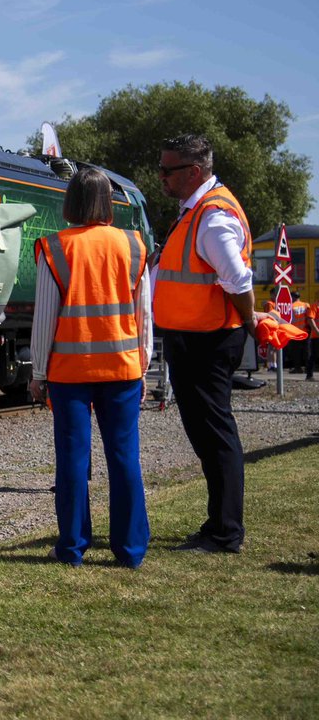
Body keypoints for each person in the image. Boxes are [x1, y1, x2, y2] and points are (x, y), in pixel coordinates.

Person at [28, 168, 152, 568]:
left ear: (71, 202)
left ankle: (72, 547)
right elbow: (143, 315)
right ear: (108, 203)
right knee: (125, 457)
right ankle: (131, 550)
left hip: (70, 373)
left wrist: (39, 373)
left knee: (72, 459)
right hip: (123, 369)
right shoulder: (133, 246)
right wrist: (143, 366)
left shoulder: (55, 248)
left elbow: (45, 316)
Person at [152, 133, 264, 554]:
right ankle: (219, 524)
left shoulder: (212, 215)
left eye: (168, 170)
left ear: (194, 172)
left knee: (215, 435)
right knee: (207, 435)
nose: (161, 177)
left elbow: (237, 278)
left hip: (207, 341)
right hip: (194, 338)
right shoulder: (196, 210)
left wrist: (249, 319)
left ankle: (225, 531)